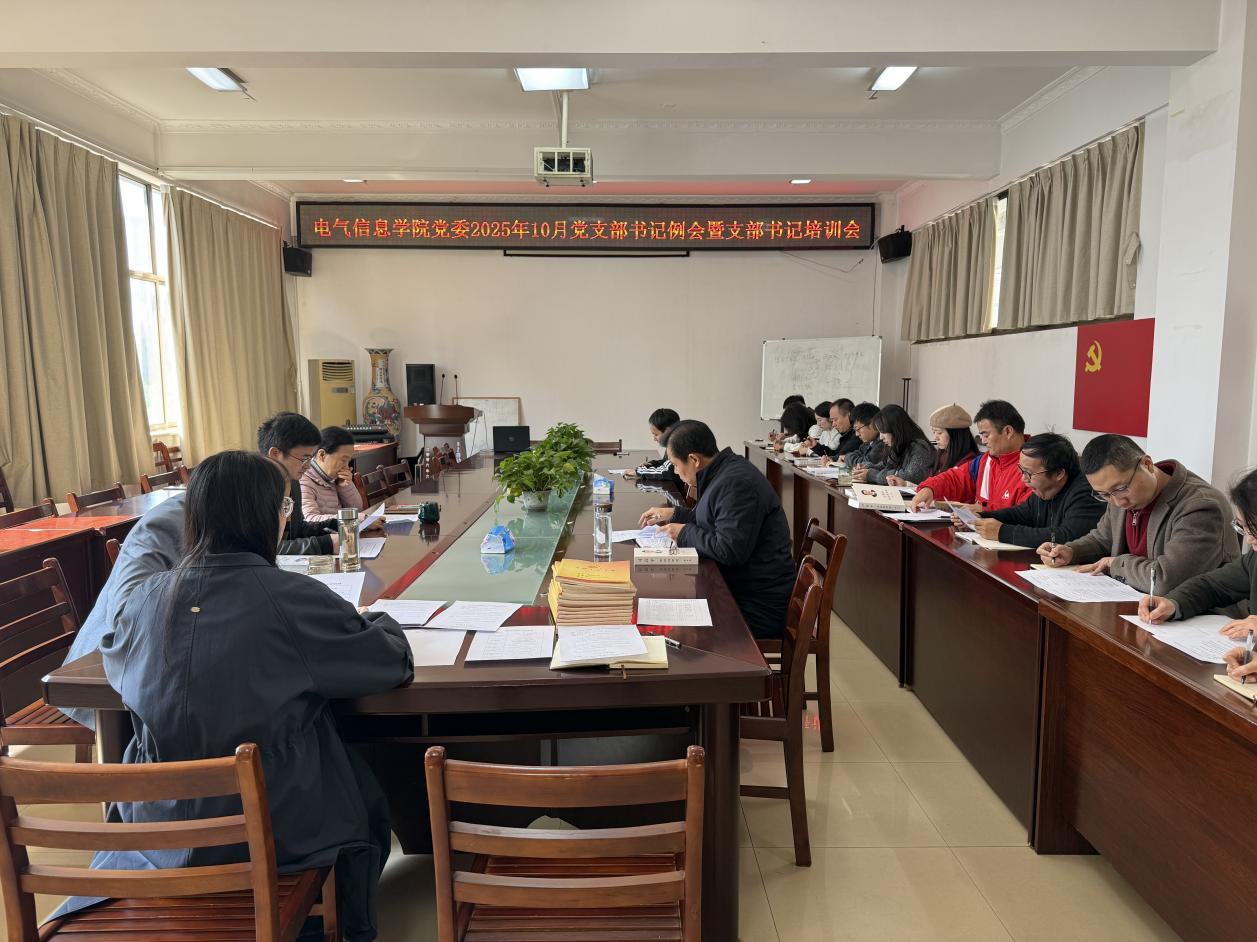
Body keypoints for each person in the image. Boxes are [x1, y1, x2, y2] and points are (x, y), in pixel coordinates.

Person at [61, 451, 414, 941]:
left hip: (157, 835)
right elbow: (389, 661)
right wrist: (376, 619)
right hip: (278, 834)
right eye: (284, 509)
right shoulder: (290, 599)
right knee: (360, 777)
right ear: (265, 517)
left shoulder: (143, 599)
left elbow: (122, 669)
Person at [60, 410, 341, 727]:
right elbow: (128, 615)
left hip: (194, 672)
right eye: (279, 506)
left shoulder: (236, 516)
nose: (281, 517)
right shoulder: (160, 527)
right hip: (116, 678)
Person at [638, 420, 794, 639]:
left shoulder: (737, 483)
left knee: (664, 628)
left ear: (694, 460)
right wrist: (674, 514)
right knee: (655, 613)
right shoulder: (723, 471)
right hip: (736, 589)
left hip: (756, 605)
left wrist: (683, 532)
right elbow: (711, 520)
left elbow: (729, 550)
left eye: (675, 464)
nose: (675, 471)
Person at [1035, 434, 1239, 593]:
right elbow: (1103, 539)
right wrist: (1071, 551)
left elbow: (1165, 580)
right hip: (1135, 601)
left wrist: (1116, 564)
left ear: (1147, 465)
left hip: (1201, 620)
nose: (1117, 502)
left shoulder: (1200, 506)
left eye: (1120, 489)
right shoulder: (1117, 494)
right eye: (1104, 495)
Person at [1141, 467, 1257, 683]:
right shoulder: (1255, 558)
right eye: (1244, 528)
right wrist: (1173, 603)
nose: (1249, 540)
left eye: (1255, 529)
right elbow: (1213, 585)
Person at [967, 433, 1105, 547]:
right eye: (1021, 470)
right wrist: (979, 519)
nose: (1023, 479)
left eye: (1028, 473)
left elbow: (1066, 536)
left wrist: (1002, 532)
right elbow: (1020, 514)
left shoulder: (1087, 493)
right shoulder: (1044, 490)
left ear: (1058, 473)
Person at [910, 399, 1032, 513]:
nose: (983, 441)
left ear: (1008, 431)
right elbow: (956, 478)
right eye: (981, 436)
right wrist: (930, 488)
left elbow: (1024, 515)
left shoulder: (1033, 468)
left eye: (986, 435)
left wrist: (982, 511)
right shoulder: (985, 460)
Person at [853, 404, 935, 485]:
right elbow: (885, 466)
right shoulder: (898, 446)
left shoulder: (920, 448)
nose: (881, 437)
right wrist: (866, 468)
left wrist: (872, 475)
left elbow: (910, 476)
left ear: (895, 429)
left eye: (883, 432)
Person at [301, 425, 367, 523]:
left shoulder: (333, 477)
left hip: (339, 530)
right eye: (343, 460)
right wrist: (358, 519)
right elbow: (311, 519)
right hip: (326, 532)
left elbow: (358, 509)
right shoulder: (304, 480)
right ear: (322, 455)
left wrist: (345, 487)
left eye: (348, 461)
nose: (346, 467)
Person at [627, 407, 681, 483]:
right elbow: (665, 463)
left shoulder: (678, 447)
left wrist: (639, 471)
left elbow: (667, 472)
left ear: (668, 431)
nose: (654, 439)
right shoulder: (672, 445)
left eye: (656, 434)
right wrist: (650, 464)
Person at [834, 401, 883, 468]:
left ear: (872, 424)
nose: (857, 434)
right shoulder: (867, 443)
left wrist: (846, 458)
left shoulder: (882, 443)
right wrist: (832, 458)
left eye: (858, 429)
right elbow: (857, 453)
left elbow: (864, 462)